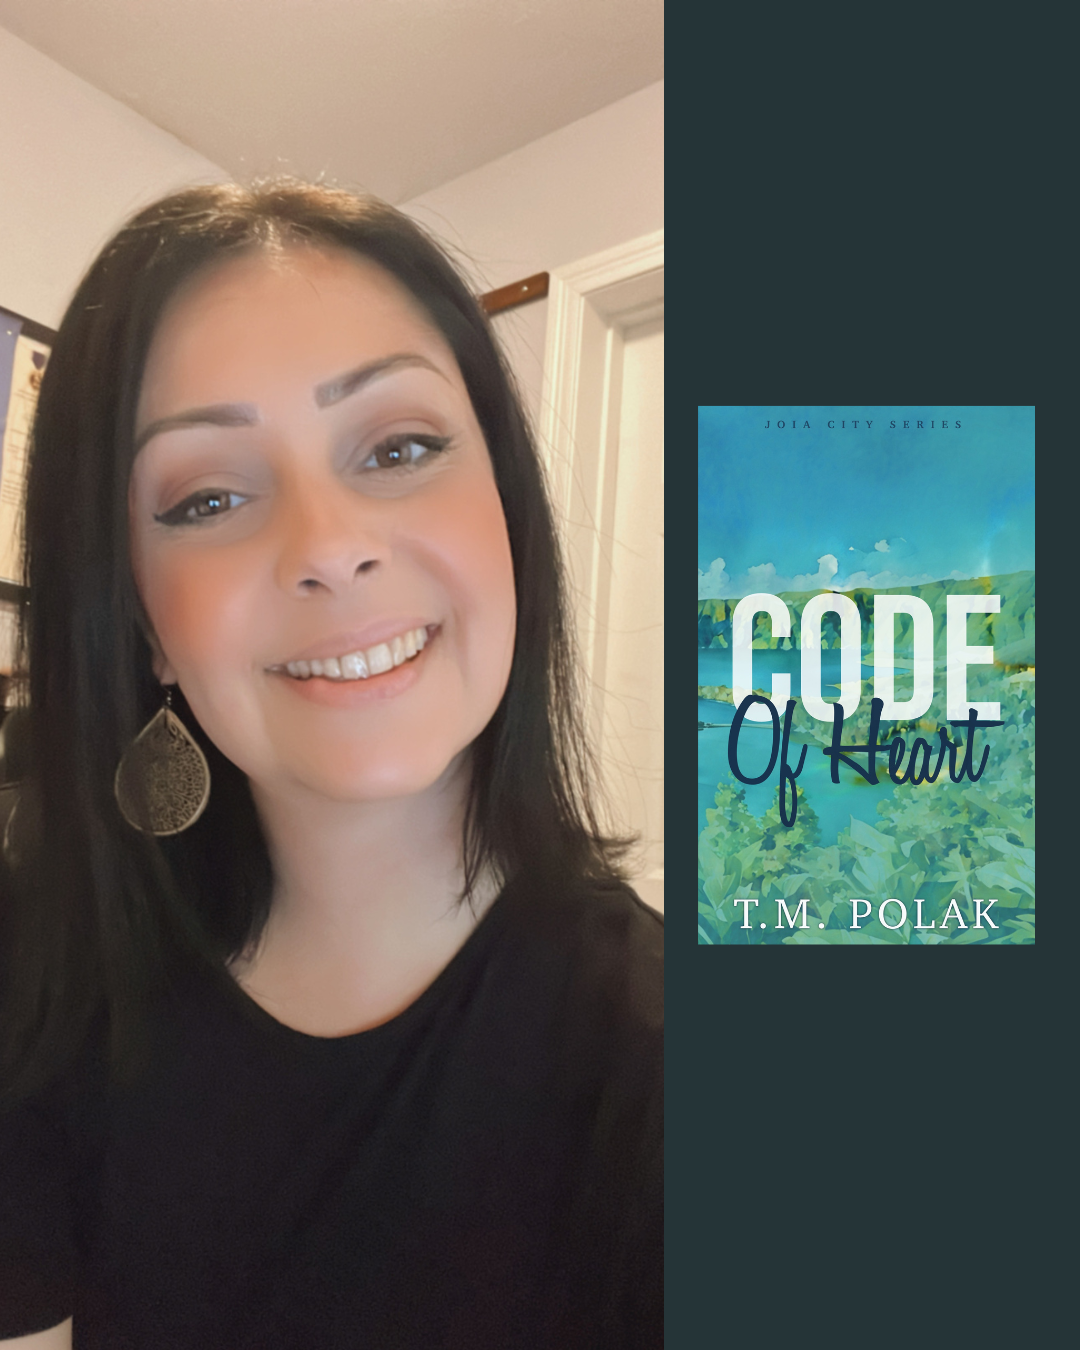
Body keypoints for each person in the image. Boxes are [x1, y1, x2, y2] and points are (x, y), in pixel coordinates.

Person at [0, 182, 662, 1348]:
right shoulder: (47, 973)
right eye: (208, 495)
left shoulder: (658, 1069)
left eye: (398, 447)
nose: (332, 548)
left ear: (505, 508)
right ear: (142, 622)